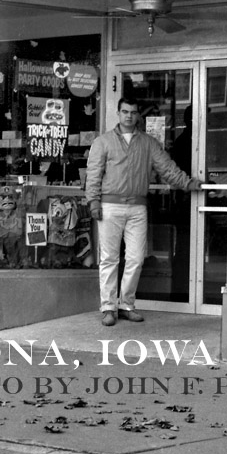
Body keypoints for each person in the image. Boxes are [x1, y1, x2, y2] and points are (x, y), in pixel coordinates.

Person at [85, 97, 203, 326]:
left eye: (133, 112)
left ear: (138, 115)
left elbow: (167, 168)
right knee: (109, 259)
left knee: (136, 258)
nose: (129, 116)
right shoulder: (103, 142)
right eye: (125, 111)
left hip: (138, 207)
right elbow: (94, 174)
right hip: (110, 206)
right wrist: (94, 203)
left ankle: (126, 304)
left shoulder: (148, 143)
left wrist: (188, 183)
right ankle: (108, 307)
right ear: (118, 114)